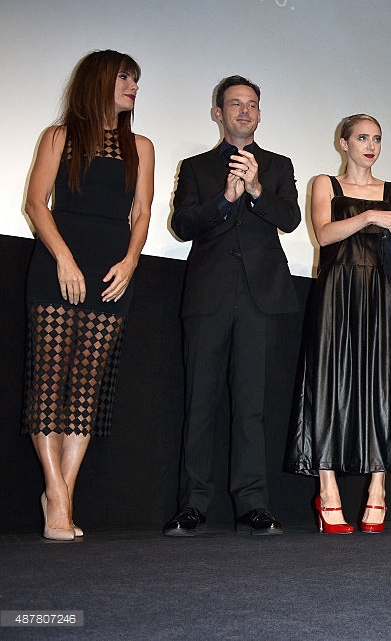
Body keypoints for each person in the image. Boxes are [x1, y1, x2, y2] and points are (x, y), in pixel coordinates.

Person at [23, 50, 154, 541]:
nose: (133, 86)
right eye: (124, 77)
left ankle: (64, 497)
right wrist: (63, 257)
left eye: (136, 80)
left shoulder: (141, 145)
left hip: (113, 271)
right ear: (98, 80)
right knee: (49, 385)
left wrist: (131, 260)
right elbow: (36, 203)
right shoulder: (58, 136)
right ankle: (55, 493)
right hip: (59, 264)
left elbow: (141, 213)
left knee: (84, 392)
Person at [164, 76, 300, 536]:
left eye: (252, 105)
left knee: (252, 405)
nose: (245, 111)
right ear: (217, 113)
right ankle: (194, 504)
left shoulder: (278, 166)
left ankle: (253, 503)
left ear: (259, 114)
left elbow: (290, 219)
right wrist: (225, 199)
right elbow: (182, 225)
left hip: (262, 298)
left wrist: (258, 190)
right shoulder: (197, 167)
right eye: (235, 104)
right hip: (208, 296)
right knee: (200, 401)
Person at [285, 114, 391, 534]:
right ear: (343, 142)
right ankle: (327, 492)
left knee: (382, 385)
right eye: (362, 137)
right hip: (336, 291)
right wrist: (368, 218)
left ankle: (377, 493)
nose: (371, 145)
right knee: (329, 384)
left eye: (377, 138)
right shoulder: (325, 183)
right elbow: (324, 235)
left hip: (381, 292)